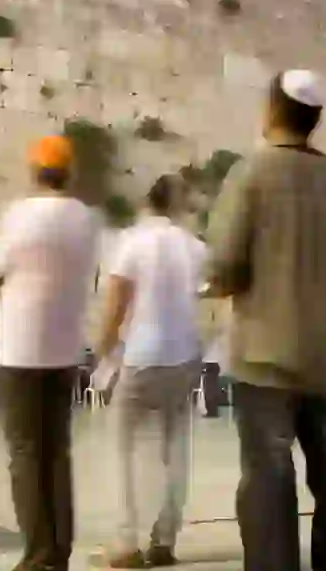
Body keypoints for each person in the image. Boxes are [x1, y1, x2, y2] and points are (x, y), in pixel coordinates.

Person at [204, 69, 326, 571]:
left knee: (268, 476)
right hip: (324, 357)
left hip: (264, 355)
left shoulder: (251, 174)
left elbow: (222, 265)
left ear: (271, 110)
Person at [0, 135, 100, 571]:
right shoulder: (87, 220)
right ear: (70, 172)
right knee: (57, 452)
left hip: (20, 351)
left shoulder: (20, 216)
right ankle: (58, 551)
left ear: (34, 171)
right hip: (65, 350)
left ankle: (38, 554)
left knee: (26, 455)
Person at [95, 175, 206, 568]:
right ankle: (165, 538)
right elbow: (211, 300)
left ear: (147, 201)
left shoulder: (131, 241)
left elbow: (115, 303)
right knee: (176, 446)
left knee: (121, 446)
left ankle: (126, 541)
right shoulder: (195, 247)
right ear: (176, 207)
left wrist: (103, 350)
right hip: (184, 356)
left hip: (141, 355)